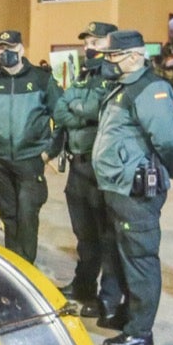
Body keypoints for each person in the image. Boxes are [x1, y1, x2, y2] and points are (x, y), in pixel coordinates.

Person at [90, 30, 173, 345]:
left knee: (140, 256)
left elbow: (170, 141)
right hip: (117, 186)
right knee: (123, 255)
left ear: (134, 56)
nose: (107, 61)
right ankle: (129, 315)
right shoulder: (123, 87)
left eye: (112, 56)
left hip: (135, 190)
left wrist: (169, 170)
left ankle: (140, 330)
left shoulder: (150, 89)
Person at [0, 29, 61, 263]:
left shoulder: (40, 79)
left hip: (32, 160)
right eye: (0, 48)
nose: (4, 52)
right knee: (9, 215)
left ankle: (26, 266)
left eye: (10, 47)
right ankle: (14, 262)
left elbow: (62, 118)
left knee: (27, 214)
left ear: (21, 49)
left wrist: (49, 152)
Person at [51, 22, 121, 317]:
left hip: (100, 166)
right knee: (85, 235)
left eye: (95, 40)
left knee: (107, 236)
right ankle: (83, 286)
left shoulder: (114, 75)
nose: (89, 46)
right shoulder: (84, 73)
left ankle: (106, 298)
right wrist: (78, 110)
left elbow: (97, 110)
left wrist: (75, 109)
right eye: (87, 41)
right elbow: (59, 108)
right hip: (77, 164)